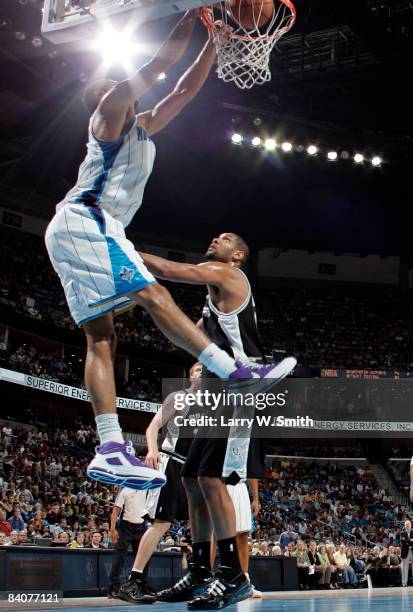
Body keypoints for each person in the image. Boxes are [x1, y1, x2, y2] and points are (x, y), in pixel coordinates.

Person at [45, 12, 290, 493]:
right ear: (101, 95)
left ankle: (111, 447)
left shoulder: (141, 124)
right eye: (113, 82)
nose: (120, 82)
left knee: (102, 338)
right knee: (154, 295)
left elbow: (182, 90)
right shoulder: (108, 112)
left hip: (77, 228)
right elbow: (159, 67)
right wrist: (187, 11)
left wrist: (219, 37)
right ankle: (233, 371)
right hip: (87, 219)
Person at [140, 234, 296, 609]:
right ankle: (199, 571)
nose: (215, 238)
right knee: (193, 479)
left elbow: (169, 269)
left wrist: (120, 249)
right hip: (213, 397)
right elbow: (183, 334)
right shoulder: (212, 304)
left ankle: (232, 576)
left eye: (225, 238)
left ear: (238, 256)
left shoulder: (228, 275)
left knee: (210, 479)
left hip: (236, 393)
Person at [119, 362, 203, 603]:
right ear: (190, 376)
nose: (203, 374)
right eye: (198, 370)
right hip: (171, 463)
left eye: (206, 371)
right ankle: (133, 581)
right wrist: (152, 450)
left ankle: (198, 577)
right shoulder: (179, 398)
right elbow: (153, 426)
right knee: (161, 523)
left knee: (200, 527)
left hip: (193, 470)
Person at [108, 487, 148, 599]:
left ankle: (142, 588)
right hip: (125, 526)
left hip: (141, 527)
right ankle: (113, 589)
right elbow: (115, 511)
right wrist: (112, 529)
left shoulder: (147, 490)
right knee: (119, 557)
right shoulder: (125, 490)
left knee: (143, 558)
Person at [401, 519, 413, 587]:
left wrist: (407, 541)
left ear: (411, 525)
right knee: (404, 567)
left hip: (412, 550)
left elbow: (405, 541)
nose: (407, 526)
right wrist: (410, 540)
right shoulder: (402, 532)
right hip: (405, 552)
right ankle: (404, 583)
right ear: (405, 526)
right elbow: (402, 541)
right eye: (406, 525)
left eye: (408, 524)